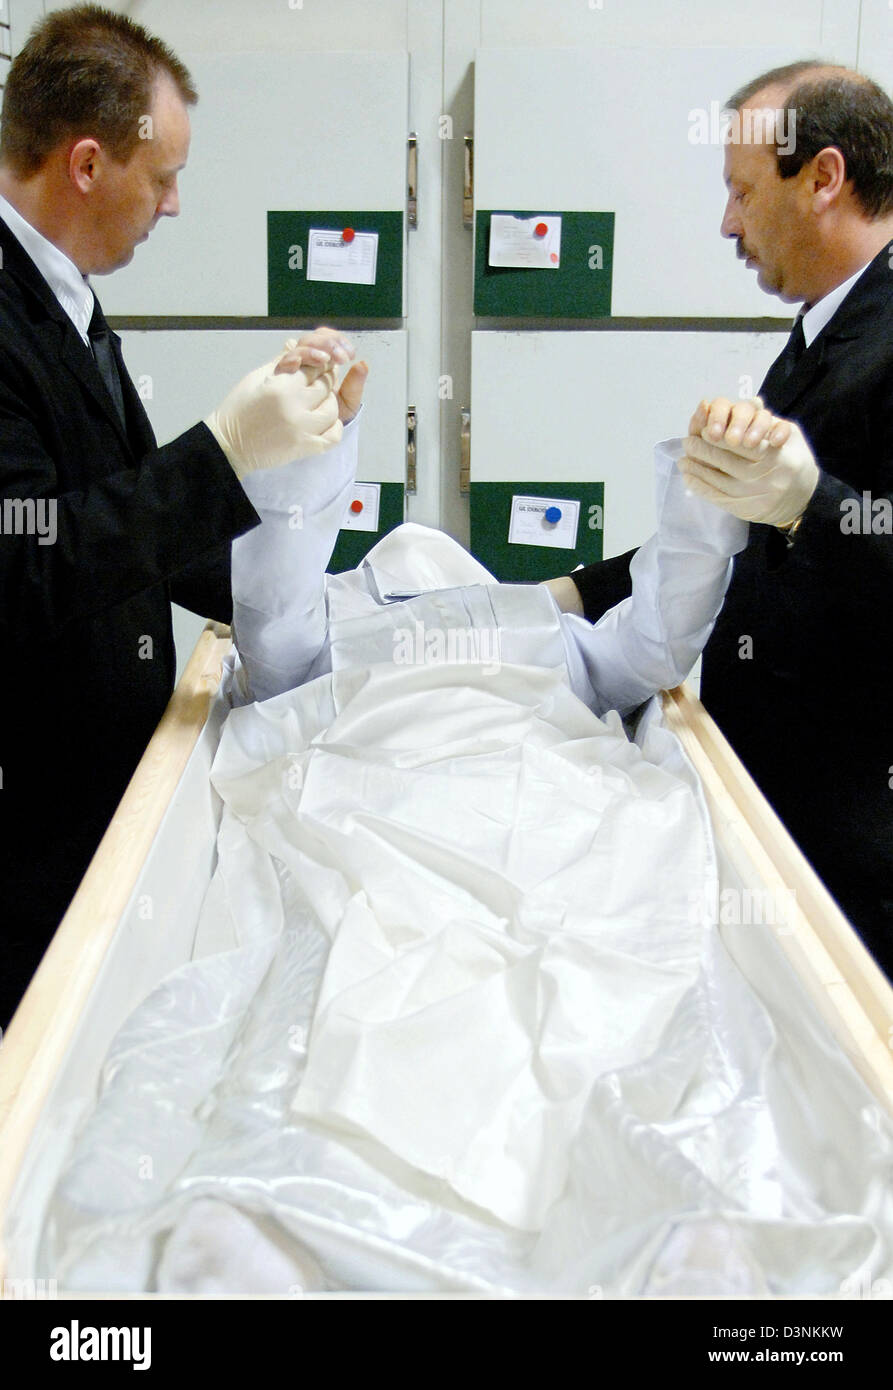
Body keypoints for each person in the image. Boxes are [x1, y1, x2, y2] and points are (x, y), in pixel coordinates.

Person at [0, 5, 364, 1029]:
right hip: (27, 829)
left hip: (92, 800)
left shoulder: (65, 302)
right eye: (160, 180)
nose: (170, 208)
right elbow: (27, 564)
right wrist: (221, 454)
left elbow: (134, 533)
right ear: (84, 165)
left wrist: (289, 500)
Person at [550, 63, 893, 972]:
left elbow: (813, 520)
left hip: (862, 835)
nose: (727, 224)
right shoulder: (826, 333)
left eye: (741, 192)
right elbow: (728, 534)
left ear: (822, 178)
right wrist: (569, 593)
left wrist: (808, 505)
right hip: (785, 801)